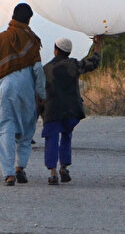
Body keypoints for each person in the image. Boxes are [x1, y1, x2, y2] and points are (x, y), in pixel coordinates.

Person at [0, 2, 45, 186]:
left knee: (4, 129)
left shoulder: (1, 38)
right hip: (26, 89)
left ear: (13, 16)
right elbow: (38, 70)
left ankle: (8, 174)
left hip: (5, 89)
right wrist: (41, 95)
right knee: (27, 129)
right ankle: (20, 167)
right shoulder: (32, 40)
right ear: (29, 20)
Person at [41, 35, 102, 185]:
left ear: (56, 51)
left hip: (52, 111)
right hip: (71, 111)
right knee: (66, 136)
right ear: (68, 52)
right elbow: (93, 63)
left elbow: (39, 92)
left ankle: (53, 172)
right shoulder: (74, 65)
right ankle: (63, 167)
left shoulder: (46, 69)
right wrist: (98, 45)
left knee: (51, 139)